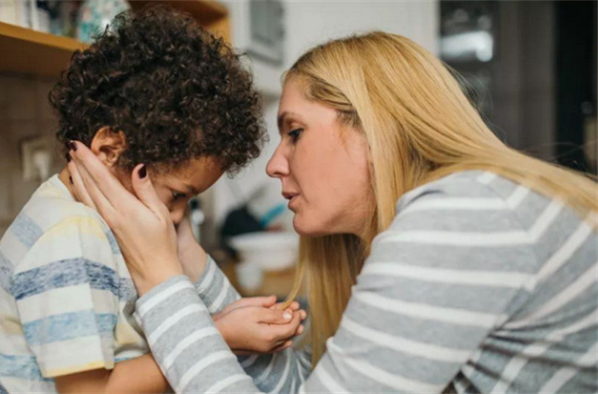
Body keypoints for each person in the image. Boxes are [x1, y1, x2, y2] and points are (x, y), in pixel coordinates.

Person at [67, 31, 598, 393]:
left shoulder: (458, 221)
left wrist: (159, 280)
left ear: (374, 126)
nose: (275, 164)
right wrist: (182, 252)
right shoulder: (450, 215)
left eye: (294, 132)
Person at [0, 6, 304, 394]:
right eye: (178, 195)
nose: (178, 215)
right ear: (109, 150)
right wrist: (219, 334)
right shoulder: (71, 236)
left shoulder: (92, 224)